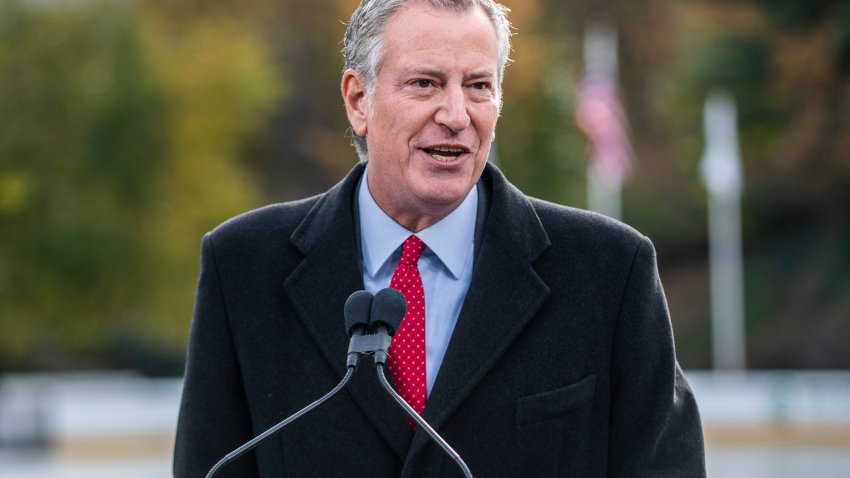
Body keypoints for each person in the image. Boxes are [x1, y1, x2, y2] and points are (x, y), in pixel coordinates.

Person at [173, 0, 706, 476]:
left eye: (478, 86)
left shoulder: (610, 270)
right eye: (425, 83)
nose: (456, 116)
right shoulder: (243, 264)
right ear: (359, 100)